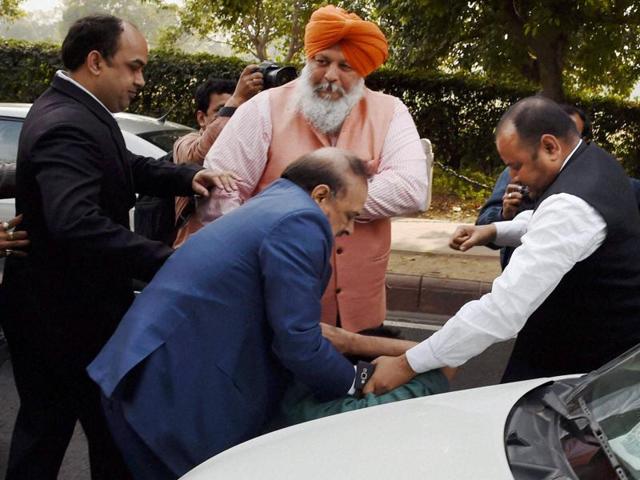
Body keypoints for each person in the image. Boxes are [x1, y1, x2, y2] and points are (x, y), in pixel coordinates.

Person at [1, 15, 235, 480]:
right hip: (63, 317)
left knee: (68, 432)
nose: (140, 80)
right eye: (133, 67)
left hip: (62, 311)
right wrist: (171, 260)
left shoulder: (76, 109)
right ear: (95, 62)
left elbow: (122, 163)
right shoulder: (65, 122)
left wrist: (185, 175)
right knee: (76, 432)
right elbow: (76, 223)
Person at [89, 149, 371, 478]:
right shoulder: (302, 221)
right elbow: (297, 341)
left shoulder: (276, 201)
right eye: (350, 215)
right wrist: (355, 382)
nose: (350, 229)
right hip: (167, 397)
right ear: (321, 195)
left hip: (146, 374)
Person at [361, 95, 640, 394]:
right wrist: (493, 230)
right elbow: (548, 220)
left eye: (516, 165)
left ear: (550, 147)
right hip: (585, 344)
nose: (513, 177)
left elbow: (504, 309)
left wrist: (408, 363)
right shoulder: (593, 161)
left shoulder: (571, 205)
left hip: (579, 365)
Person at [198, 4, 428, 333]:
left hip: (360, 313)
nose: (331, 76)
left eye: (345, 66)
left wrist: (312, 205)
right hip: (270, 302)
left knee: (351, 382)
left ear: (362, 73)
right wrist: (257, 254)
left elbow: (411, 189)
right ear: (309, 61)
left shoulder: (390, 111)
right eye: (322, 61)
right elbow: (221, 189)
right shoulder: (264, 108)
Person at [172, 72, 262, 247]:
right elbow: (196, 157)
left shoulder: (250, 148)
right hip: (193, 248)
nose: (234, 117)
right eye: (221, 110)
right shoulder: (185, 144)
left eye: (240, 111)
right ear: (201, 118)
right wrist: (235, 101)